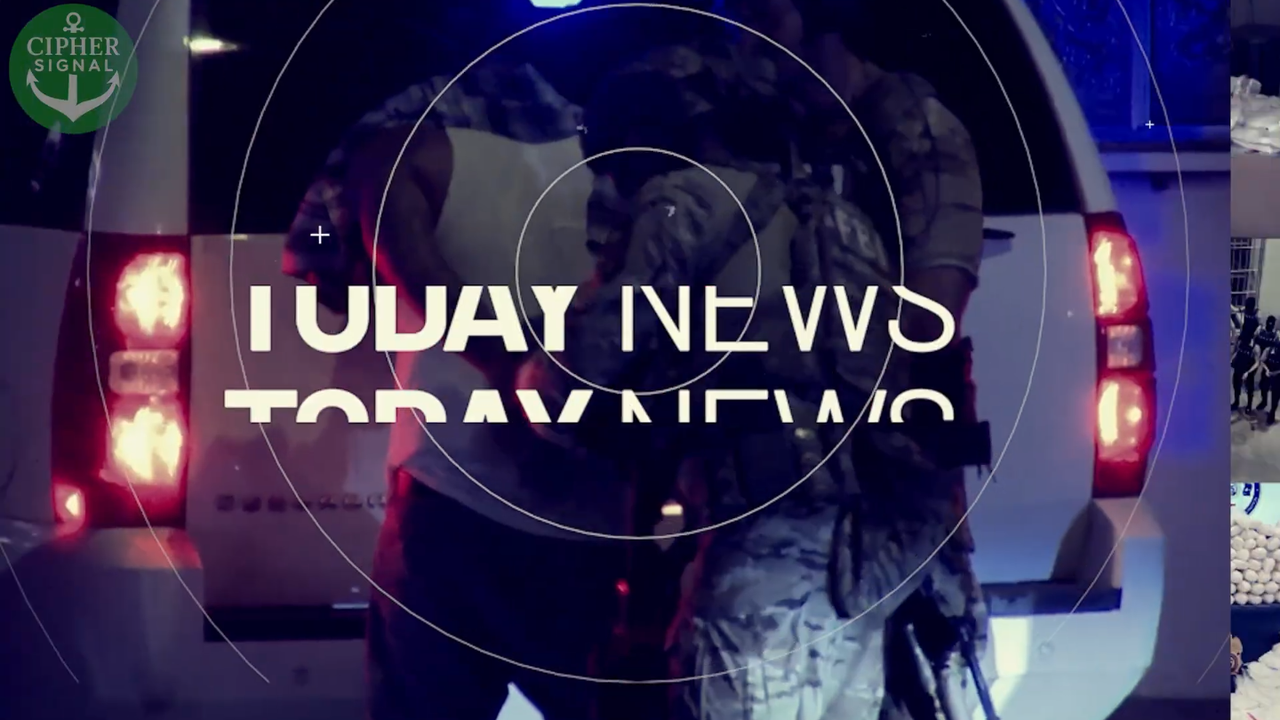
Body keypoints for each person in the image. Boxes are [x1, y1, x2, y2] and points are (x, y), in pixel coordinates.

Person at [517, 1, 993, 718]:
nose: (745, 36)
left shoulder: (902, 133)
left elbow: (926, 325)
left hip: (815, 540)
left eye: (762, 15)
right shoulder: (809, 195)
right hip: (869, 546)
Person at [283, 61, 634, 720]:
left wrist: (500, 362)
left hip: (445, 494)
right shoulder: (639, 149)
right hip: (587, 513)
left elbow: (319, 266)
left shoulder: (399, 142)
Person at [1234, 332, 1262, 415]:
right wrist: (1232, 359)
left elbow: (1257, 363)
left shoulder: (1256, 347)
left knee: (1249, 390)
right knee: (1236, 386)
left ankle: (1249, 406)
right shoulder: (1241, 342)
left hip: (1248, 370)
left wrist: (1248, 372)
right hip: (1238, 368)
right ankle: (1236, 402)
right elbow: (1237, 352)